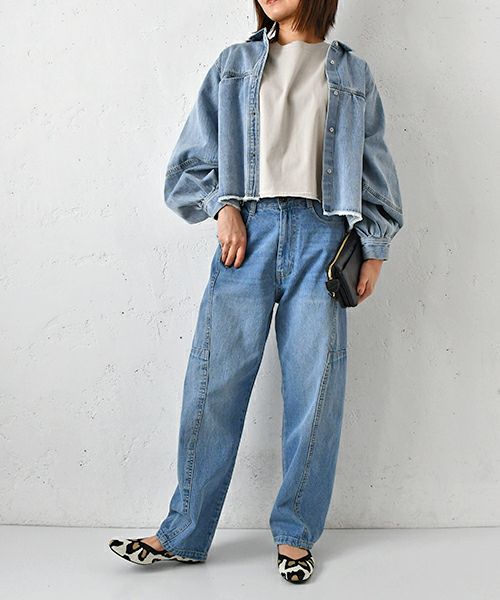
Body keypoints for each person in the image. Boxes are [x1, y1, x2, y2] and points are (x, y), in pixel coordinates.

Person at [108, 0, 404, 584]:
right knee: (214, 383)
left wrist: (374, 247)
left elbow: (374, 165)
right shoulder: (234, 64)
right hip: (247, 234)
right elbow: (190, 161)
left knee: (315, 392)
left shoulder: (353, 73)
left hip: (325, 237)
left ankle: (295, 535)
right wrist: (224, 208)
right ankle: (183, 532)